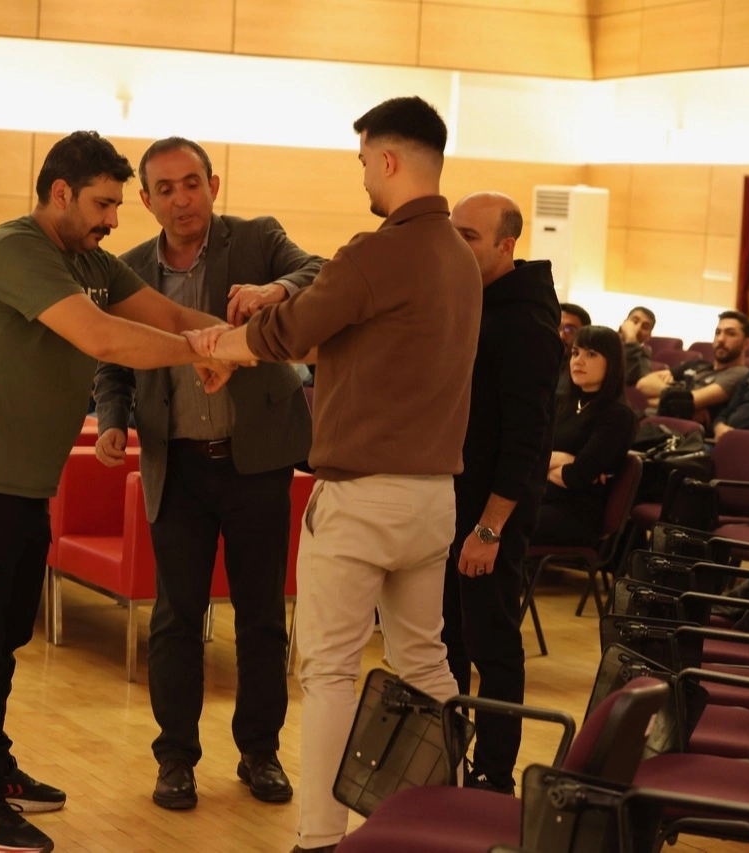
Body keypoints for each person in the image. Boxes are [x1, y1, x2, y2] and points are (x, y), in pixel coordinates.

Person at [0, 131, 235, 853]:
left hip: (25, 484)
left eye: (117, 205)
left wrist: (239, 342)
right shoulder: (13, 249)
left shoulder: (89, 260)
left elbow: (168, 315)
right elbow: (105, 340)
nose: (114, 220)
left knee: (4, 638)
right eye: (102, 204)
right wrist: (199, 356)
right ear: (59, 193)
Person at [183, 96, 481, 853]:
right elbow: (344, 338)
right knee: (426, 663)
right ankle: (443, 826)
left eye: (363, 163)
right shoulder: (460, 258)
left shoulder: (379, 251)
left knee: (329, 673)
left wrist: (219, 346)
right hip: (433, 498)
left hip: (362, 497)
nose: (364, 178)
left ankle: (319, 837)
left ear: (388, 159)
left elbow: (292, 330)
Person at [91, 137, 325, 812]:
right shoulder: (128, 269)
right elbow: (113, 361)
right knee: (175, 619)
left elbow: (319, 272)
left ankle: (260, 752)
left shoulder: (257, 240)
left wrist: (275, 290)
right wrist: (113, 419)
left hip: (257, 464)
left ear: (213, 185)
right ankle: (175, 759)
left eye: (191, 183)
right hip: (177, 467)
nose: (181, 199)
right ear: (146, 200)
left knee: (261, 617)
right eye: (164, 189)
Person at [443, 191, 564, 794]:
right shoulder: (474, 300)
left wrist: (488, 529)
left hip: (491, 516)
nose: (454, 243)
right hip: (453, 504)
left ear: (506, 245)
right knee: (447, 640)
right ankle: (443, 763)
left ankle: (494, 773)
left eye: (468, 235)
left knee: (491, 644)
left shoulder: (525, 323)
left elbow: (526, 443)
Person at [533, 325, 638, 548]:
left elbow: (575, 476)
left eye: (590, 354)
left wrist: (543, 466)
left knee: (504, 524)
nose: (578, 361)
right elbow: (532, 452)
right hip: (541, 497)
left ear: (611, 362)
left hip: (575, 513)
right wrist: (564, 460)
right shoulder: (562, 402)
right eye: (575, 353)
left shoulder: (617, 415)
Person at [635, 310, 749, 423]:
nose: (721, 339)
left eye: (731, 334)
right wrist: (676, 397)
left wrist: (666, 395)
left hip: (679, 431)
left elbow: (691, 400)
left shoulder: (740, 373)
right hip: (647, 420)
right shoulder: (696, 364)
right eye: (718, 332)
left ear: (747, 344)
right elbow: (643, 384)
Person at [619, 305, 657, 385]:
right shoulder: (605, 339)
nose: (638, 328)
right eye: (634, 321)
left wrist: (631, 340)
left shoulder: (644, 353)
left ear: (649, 335)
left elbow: (629, 379)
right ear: (624, 323)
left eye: (645, 327)